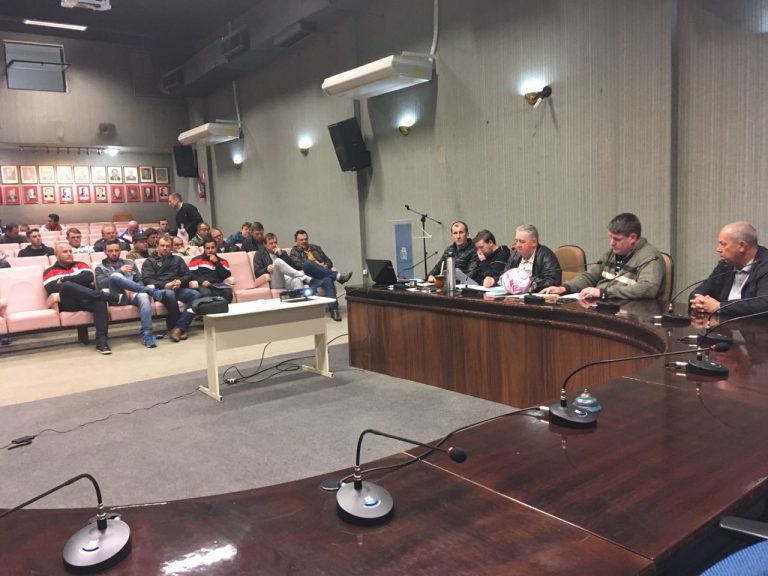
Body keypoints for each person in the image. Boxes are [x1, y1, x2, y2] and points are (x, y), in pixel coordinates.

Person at [541, 213, 663, 299]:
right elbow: (590, 277)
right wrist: (564, 288)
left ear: (632, 238)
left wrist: (603, 292)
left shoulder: (650, 257)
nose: (611, 243)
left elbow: (647, 288)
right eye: (610, 237)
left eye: (617, 239)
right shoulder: (612, 253)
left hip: (633, 313)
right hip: (607, 306)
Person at [43, 243, 123, 354]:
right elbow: (52, 288)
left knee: (99, 302)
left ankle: (101, 342)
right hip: (69, 303)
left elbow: (88, 277)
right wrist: (70, 282)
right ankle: (105, 296)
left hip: (87, 299)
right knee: (67, 286)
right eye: (65, 252)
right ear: (56, 255)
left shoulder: (81, 264)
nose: (69, 254)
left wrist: (64, 279)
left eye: (70, 251)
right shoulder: (49, 271)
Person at [253, 233, 352, 321]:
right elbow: (257, 272)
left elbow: (292, 267)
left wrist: (281, 255)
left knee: (299, 280)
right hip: (275, 280)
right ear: (265, 244)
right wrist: (266, 269)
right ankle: (309, 278)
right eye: (271, 243)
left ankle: (303, 312)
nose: (274, 245)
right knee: (278, 262)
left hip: (288, 279)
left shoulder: (282, 253)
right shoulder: (259, 254)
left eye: (275, 242)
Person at [690, 221, 768, 317]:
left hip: (755, 326)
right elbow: (699, 291)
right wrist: (699, 301)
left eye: (723, 244)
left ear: (742, 246)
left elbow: (764, 304)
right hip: (721, 323)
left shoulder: (765, 265)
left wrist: (719, 307)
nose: (718, 249)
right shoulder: (726, 265)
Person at [95, 240, 161, 348]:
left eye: (116, 250)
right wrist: (119, 271)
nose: (114, 253)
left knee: (144, 296)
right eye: (110, 251)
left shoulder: (130, 263)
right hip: (117, 297)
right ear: (105, 252)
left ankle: (147, 335)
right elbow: (101, 284)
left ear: (120, 250)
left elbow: (139, 280)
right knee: (115, 276)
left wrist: (133, 290)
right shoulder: (100, 267)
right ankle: (148, 290)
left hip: (133, 293)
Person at [141, 235, 199, 342]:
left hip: (177, 288)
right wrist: (165, 285)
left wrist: (180, 281)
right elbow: (147, 280)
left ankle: (178, 328)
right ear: (157, 246)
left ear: (171, 247)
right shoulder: (150, 261)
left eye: (168, 246)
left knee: (195, 295)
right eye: (162, 245)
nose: (165, 248)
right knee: (169, 293)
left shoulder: (177, 259)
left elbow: (188, 275)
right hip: (159, 291)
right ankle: (176, 327)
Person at [501, 224, 562, 291]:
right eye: (516, 241)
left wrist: (527, 282)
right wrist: (494, 280)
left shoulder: (546, 255)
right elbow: (505, 275)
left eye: (522, 242)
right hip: (514, 295)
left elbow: (553, 281)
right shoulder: (515, 255)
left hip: (535, 295)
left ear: (534, 242)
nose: (518, 245)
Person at [188, 238, 234, 303]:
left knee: (227, 292)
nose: (210, 250)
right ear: (204, 249)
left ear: (216, 248)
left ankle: (224, 309)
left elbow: (226, 275)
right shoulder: (196, 260)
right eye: (207, 248)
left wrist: (216, 262)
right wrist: (201, 281)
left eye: (213, 248)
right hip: (203, 285)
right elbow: (190, 274)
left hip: (218, 285)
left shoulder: (222, 261)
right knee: (207, 293)